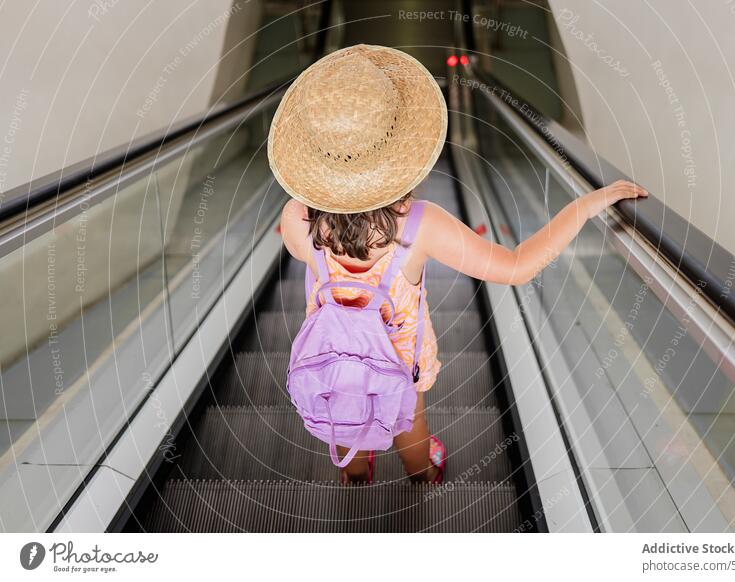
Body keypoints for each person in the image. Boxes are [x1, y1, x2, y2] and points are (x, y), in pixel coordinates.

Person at [269, 44, 648, 484]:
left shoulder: (298, 218)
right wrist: (586, 205)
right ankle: (422, 473)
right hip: (400, 361)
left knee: (344, 410)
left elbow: (303, 240)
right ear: (401, 155)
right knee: (409, 419)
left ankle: (355, 472)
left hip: (330, 357)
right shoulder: (419, 225)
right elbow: (517, 267)